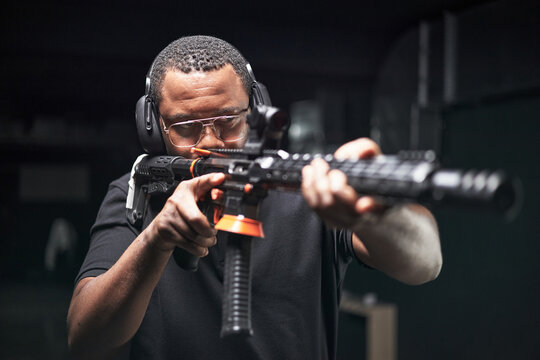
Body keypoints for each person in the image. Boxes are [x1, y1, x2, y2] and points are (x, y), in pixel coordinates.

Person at [67, 35, 442, 360]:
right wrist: (156, 238)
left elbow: (425, 264)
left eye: (229, 120)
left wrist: (372, 215)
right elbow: (86, 340)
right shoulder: (135, 191)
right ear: (152, 128)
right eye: (185, 127)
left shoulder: (302, 185)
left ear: (255, 111)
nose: (211, 142)